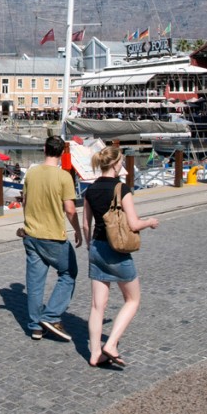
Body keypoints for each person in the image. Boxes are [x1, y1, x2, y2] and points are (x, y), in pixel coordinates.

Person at [82, 146, 159, 368]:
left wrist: (90, 246)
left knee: (98, 306)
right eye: (121, 162)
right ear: (116, 164)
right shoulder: (121, 189)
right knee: (133, 299)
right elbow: (134, 224)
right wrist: (150, 222)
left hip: (96, 247)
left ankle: (95, 353)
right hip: (116, 250)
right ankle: (111, 344)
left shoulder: (90, 190)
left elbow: (87, 224)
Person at [19, 136, 82, 342]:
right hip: (53, 236)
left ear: (44, 149)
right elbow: (70, 210)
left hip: (31, 234)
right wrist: (79, 231)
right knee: (69, 272)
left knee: (35, 283)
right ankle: (51, 315)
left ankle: (35, 326)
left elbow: (25, 201)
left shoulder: (32, 172)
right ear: (62, 152)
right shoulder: (64, 177)